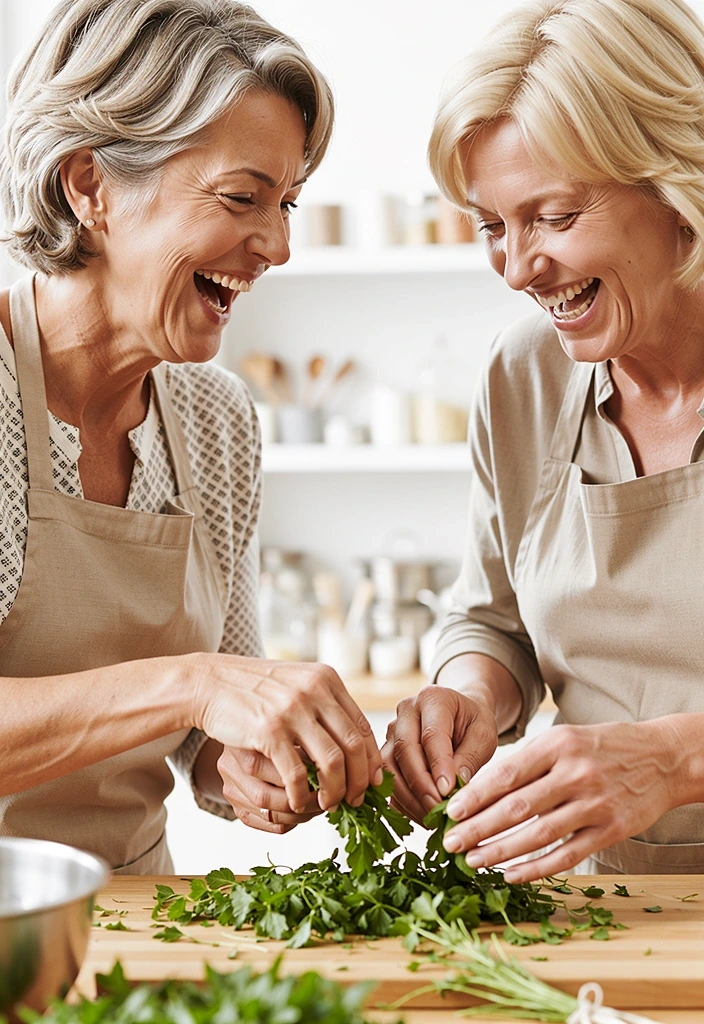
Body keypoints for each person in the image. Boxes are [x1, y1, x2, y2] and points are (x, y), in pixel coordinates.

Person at [0, 0, 382, 874]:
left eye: (287, 204)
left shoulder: (218, 421)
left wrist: (252, 766)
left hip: (142, 915)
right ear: (89, 186)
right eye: (243, 197)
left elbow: (210, 725)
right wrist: (195, 685)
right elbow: (199, 685)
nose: (278, 246)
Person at [383, 0, 704, 878]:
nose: (519, 269)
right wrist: (468, 695)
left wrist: (673, 760)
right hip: (609, 910)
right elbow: (495, 620)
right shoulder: (525, 373)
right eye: (493, 226)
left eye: (554, 218)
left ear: (678, 183)